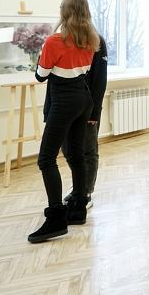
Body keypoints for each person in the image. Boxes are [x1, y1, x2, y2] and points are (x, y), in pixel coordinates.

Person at [28, 0, 100, 243]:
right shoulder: (91, 40)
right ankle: (79, 207)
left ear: (65, 12)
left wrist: (41, 56)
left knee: (46, 159)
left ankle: (56, 218)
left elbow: (41, 75)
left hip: (64, 101)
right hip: (83, 99)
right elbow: (84, 70)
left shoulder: (54, 41)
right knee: (76, 154)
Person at [60, 34, 108, 210]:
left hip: (89, 106)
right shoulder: (63, 39)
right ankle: (79, 187)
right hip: (66, 105)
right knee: (68, 149)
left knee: (87, 150)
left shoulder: (96, 40)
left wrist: (94, 112)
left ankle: (86, 191)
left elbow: (100, 79)